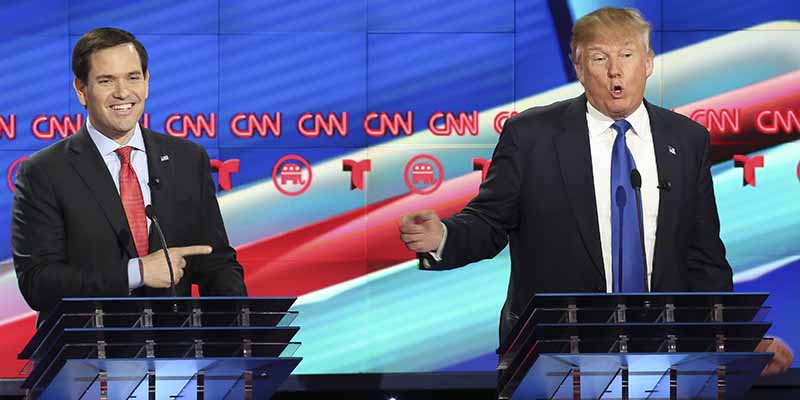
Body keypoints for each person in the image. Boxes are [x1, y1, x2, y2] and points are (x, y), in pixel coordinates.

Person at [399, 7, 792, 375]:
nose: (614, 72)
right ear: (579, 67)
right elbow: (488, 222)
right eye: (600, 58)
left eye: (627, 56)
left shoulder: (686, 140)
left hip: (663, 359)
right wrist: (443, 237)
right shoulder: (532, 136)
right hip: (555, 359)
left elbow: (704, 259)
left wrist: (730, 339)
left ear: (649, 63)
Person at [12, 27, 247, 327]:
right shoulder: (44, 172)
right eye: (106, 80)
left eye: (133, 77)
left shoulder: (187, 160)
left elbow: (216, 264)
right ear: (81, 90)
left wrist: (241, 340)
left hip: (173, 359)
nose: (123, 92)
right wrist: (136, 272)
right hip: (84, 360)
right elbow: (38, 282)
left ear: (147, 83)